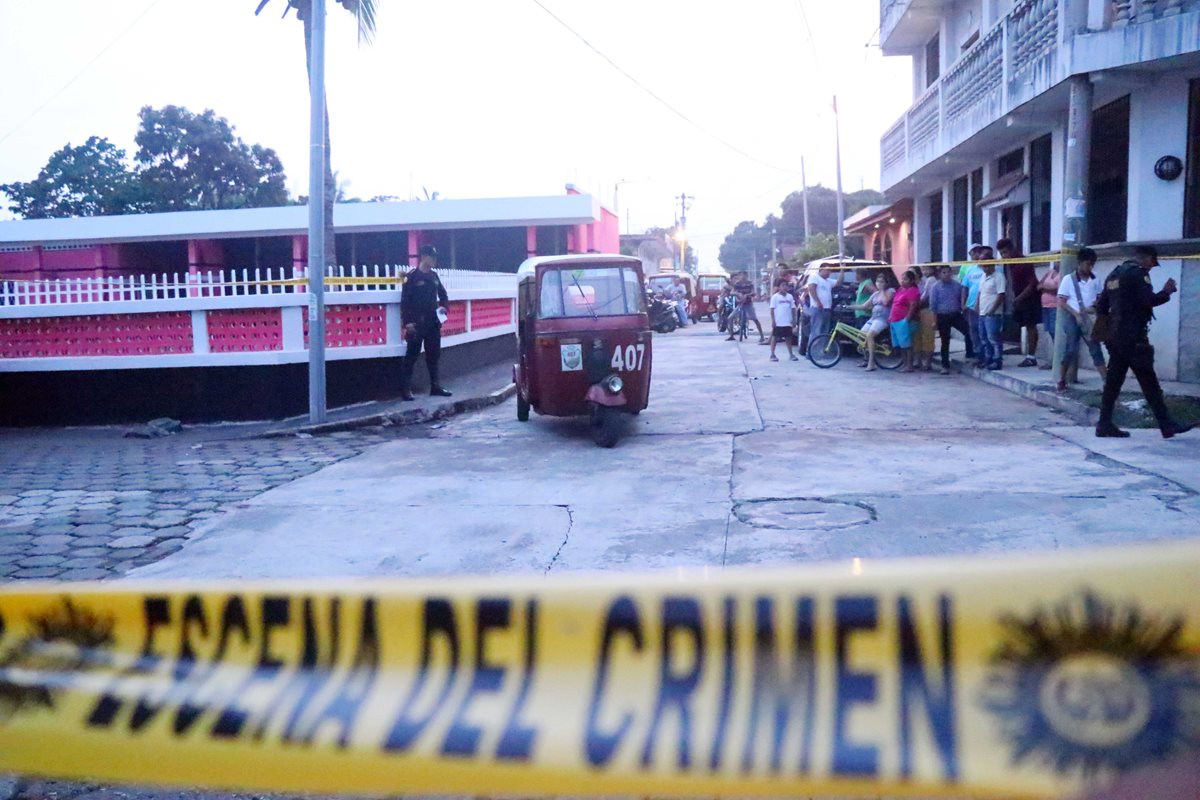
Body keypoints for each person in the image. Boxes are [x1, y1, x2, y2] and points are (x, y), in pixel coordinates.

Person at [1094, 245, 1193, 439]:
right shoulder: (1138, 274)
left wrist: (1108, 330)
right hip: (1133, 337)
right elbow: (1147, 300)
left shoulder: (1114, 274)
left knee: (1113, 383)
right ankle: (1166, 425)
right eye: (1151, 263)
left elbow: (1101, 306)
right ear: (1146, 258)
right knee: (1149, 382)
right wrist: (1167, 292)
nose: (1151, 268)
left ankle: (1104, 424)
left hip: (1116, 338)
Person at [399, 244, 452, 400]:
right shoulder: (412, 277)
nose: (435, 260)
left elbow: (443, 295)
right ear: (424, 257)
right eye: (432, 257)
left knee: (434, 355)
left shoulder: (434, 276)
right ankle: (406, 389)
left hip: (432, 323)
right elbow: (405, 302)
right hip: (416, 323)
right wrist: (407, 323)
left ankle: (435, 386)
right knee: (412, 356)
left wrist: (443, 307)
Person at [1055, 247, 1107, 392]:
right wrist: (1076, 314)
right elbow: (1061, 301)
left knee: (1095, 348)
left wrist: (1094, 307)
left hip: (1089, 317)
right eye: (1087, 264)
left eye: (1092, 264)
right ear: (1080, 262)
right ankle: (1061, 379)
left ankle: (1106, 381)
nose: (1090, 267)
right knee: (1070, 349)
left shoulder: (1096, 279)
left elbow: (1100, 297)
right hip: (1072, 316)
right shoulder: (1068, 279)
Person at [998, 238, 1040, 368]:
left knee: (1031, 326)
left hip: (1030, 298)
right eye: (1001, 253)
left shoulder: (1023, 262)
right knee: (1025, 326)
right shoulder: (1011, 263)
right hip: (1019, 298)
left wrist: (1019, 298)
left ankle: (1031, 357)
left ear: (1012, 250)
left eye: (1005, 252)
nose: (1003, 256)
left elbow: (1032, 283)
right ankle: (1029, 355)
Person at [930, 265, 972, 374]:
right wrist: (934, 321)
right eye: (944, 272)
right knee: (945, 341)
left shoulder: (957, 286)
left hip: (956, 314)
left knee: (968, 331)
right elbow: (933, 306)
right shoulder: (935, 287)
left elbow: (962, 298)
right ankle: (945, 365)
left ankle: (970, 354)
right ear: (940, 274)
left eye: (948, 272)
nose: (947, 274)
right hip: (942, 316)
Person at [852, 273, 893, 371]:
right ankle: (866, 357)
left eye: (882, 282)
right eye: (878, 281)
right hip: (873, 318)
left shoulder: (890, 291)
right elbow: (864, 306)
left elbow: (886, 301)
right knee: (861, 335)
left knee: (870, 335)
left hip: (882, 318)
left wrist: (882, 290)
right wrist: (850, 306)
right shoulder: (875, 294)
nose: (879, 283)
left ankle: (871, 362)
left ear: (886, 283)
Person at [977, 257, 1006, 370]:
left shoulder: (999, 276)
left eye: (988, 265)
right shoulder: (983, 277)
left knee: (993, 338)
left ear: (993, 265)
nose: (986, 268)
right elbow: (981, 293)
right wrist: (977, 306)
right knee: (983, 337)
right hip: (982, 312)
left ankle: (997, 360)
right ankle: (988, 359)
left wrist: (993, 309)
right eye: (984, 266)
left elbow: (1001, 295)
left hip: (992, 313)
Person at [890, 269, 921, 372]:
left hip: (903, 321)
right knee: (900, 345)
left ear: (911, 281)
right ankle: (904, 364)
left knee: (907, 344)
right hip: (895, 320)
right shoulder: (900, 289)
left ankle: (909, 365)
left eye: (906, 279)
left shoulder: (912, 290)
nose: (903, 281)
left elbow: (913, 305)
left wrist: (907, 318)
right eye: (902, 279)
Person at [957, 244, 985, 361]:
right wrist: (963, 303)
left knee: (984, 330)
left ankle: (987, 355)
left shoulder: (987, 267)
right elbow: (964, 286)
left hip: (985, 305)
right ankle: (976, 353)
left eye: (979, 251)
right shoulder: (968, 268)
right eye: (974, 252)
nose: (977, 254)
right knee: (973, 330)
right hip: (971, 305)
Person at [805, 264, 843, 341]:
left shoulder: (828, 281)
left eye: (830, 271)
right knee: (817, 330)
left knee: (824, 332)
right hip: (818, 308)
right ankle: (812, 350)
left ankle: (820, 350)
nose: (829, 272)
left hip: (827, 309)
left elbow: (838, 282)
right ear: (821, 269)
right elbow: (811, 289)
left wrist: (842, 270)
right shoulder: (814, 277)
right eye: (827, 270)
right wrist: (818, 302)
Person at [728, 271, 765, 343]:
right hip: (740, 304)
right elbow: (732, 292)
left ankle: (762, 336)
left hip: (748, 304)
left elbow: (753, 292)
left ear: (746, 276)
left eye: (744, 275)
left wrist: (747, 295)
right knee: (730, 317)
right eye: (741, 275)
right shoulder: (737, 284)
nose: (742, 277)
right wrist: (737, 293)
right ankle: (731, 335)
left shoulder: (749, 283)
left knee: (754, 319)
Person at [768, 278, 799, 362]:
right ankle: (772, 354)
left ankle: (791, 354)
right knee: (775, 338)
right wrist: (773, 321)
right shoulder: (775, 297)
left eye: (786, 285)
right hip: (778, 322)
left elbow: (793, 309)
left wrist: (794, 319)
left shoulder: (790, 297)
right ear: (778, 287)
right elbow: (772, 310)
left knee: (788, 338)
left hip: (787, 321)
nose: (785, 287)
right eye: (783, 285)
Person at [1037, 263, 1061, 370]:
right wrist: (1047, 288)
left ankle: (1057, 361)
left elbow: (1057, 289)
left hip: (1055, 307)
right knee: (1050, 333)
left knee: (1055, 333)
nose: (1056, 262)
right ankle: (1054, 360)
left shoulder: (1063, 274)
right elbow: (1039, 286)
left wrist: (1045, 288)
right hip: (1045, 306)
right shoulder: (1049, 273)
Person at [915, 264, 938, 371]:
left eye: (926, 269)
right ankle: (919, 361)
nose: (925, 271)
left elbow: (925, 296)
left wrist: (916, 303)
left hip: (927, 309)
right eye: (923, 269)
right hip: (919, 311)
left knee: (927, 337)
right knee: (917, 337)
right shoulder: (923, 281)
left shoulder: (930, 280)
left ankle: (927, 363)